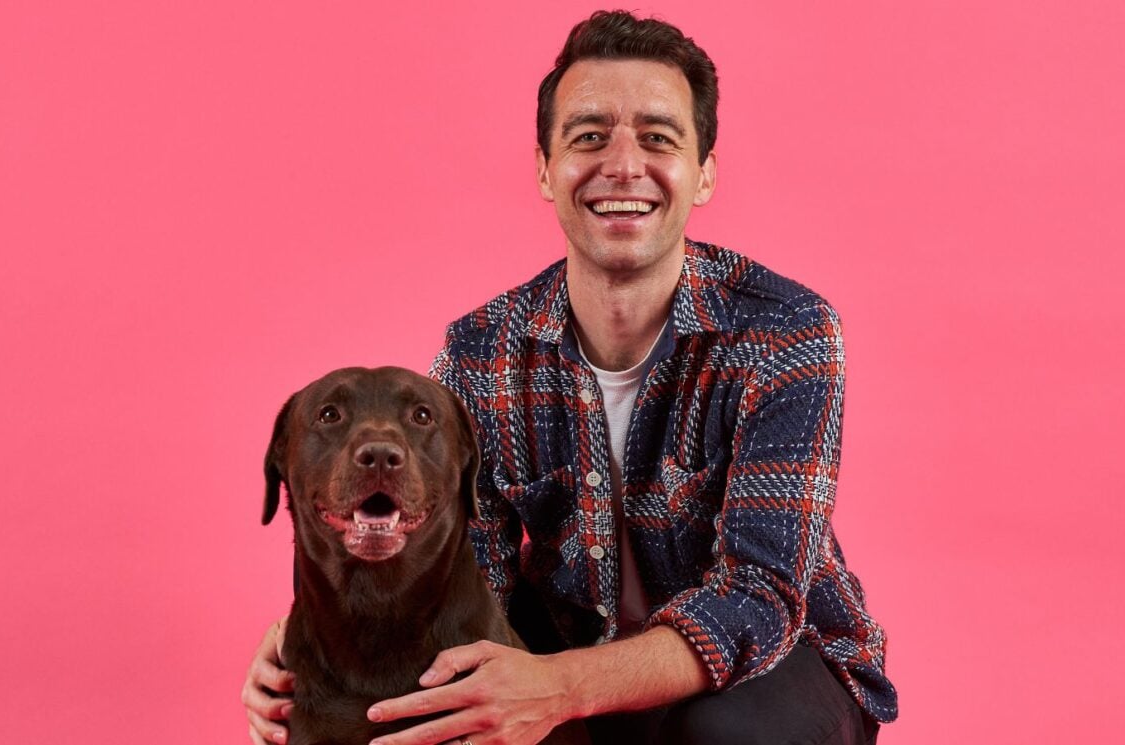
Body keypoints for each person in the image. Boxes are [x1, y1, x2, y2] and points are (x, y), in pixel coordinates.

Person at [243, 10, 898, 745]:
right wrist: (310, 647)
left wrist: (560, 690)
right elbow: (463, 566)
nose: (623, 165)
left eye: (658, 137)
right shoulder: (480, 350)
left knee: (732, 732)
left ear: (704, 172)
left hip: (764, 669)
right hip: (555, 650)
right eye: (589, 137)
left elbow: (760, 597)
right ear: (545, 169)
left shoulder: (786, 332)